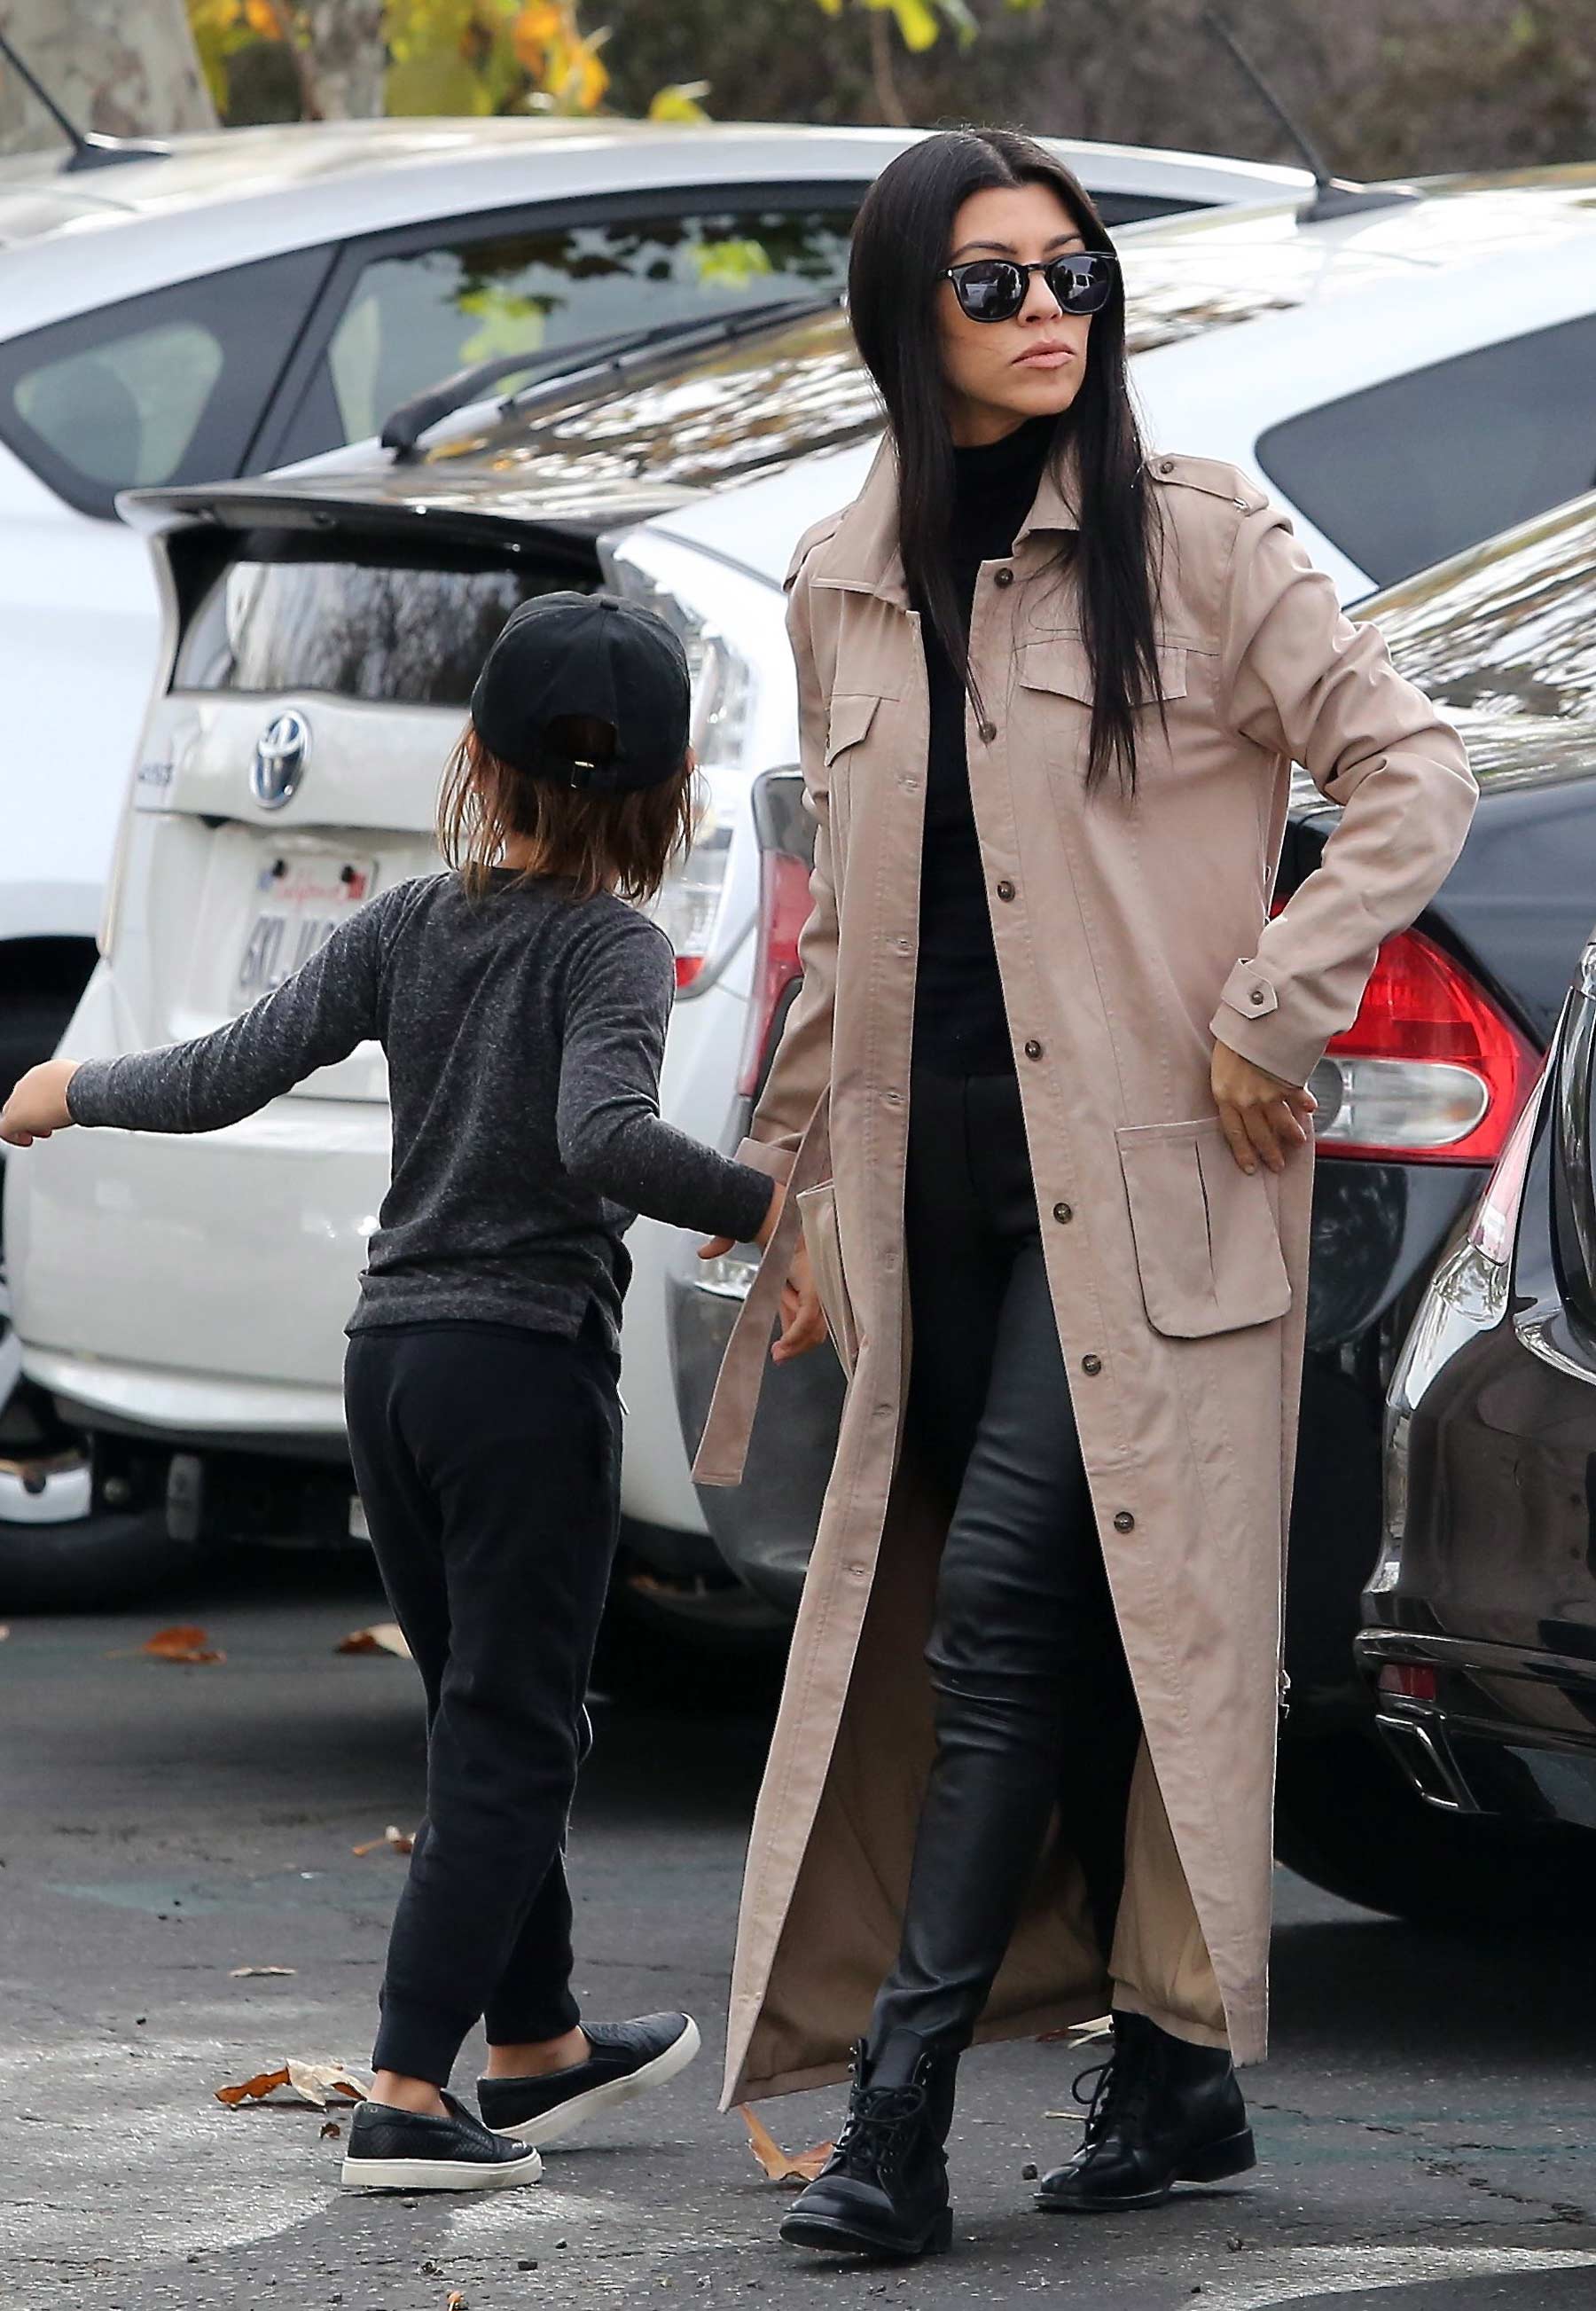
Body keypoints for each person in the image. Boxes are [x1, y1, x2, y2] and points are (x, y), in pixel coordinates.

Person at [692, 128, 1476, 2261]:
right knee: (1090, 1626)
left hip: (1142, 1208)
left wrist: (1277, 1005)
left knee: (1013, 1614)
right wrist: (789, 1208)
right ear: (902, 318)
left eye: (1076, 279)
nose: (1054, 316)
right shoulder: (839, 576)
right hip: (926, 1200)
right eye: (998, 285)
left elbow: (1418, 772)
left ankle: (899, 2122)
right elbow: (849, 946)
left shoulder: (1202, 537)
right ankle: (1181, 2060)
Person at [1, 593, 781, 2195]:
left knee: (493, 1708)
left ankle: (539, 2039)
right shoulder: (617, 943)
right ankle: (412, 2092)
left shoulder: (410, 922)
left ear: (477, 769)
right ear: (672, 796)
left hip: (393, 1368)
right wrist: (771, 1199)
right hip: (521, 1376)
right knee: (513, 1728)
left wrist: (73, 1085)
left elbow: (229, 1071)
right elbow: (602, 1140)